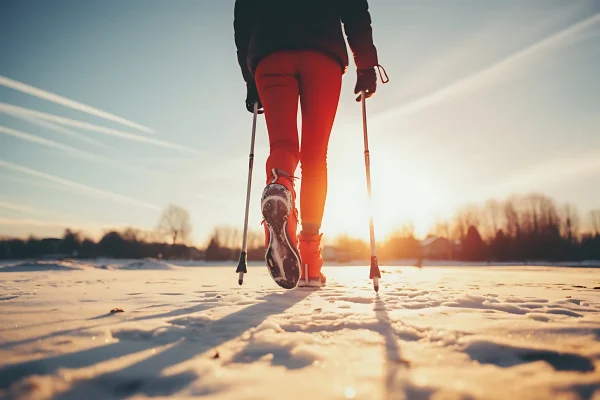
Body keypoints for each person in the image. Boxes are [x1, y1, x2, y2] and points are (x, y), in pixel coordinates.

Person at [234, 0, 386, 288]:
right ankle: (309, 264)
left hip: (270, 53)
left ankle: (281, 190)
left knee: (283, 145)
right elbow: (354, 7)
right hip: (322, 52)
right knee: (315, 156)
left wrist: (249, 77)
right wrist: (365, 63)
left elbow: (243, 16)